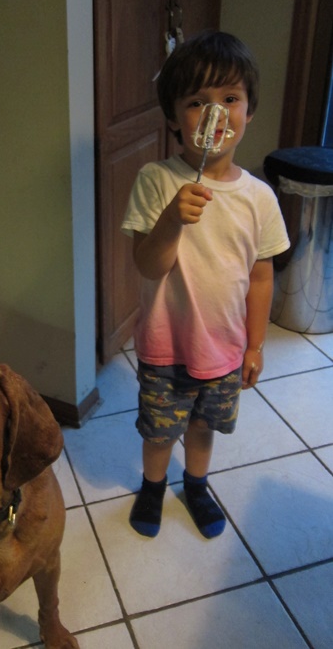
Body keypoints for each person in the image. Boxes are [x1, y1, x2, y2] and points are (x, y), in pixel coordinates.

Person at [121, 30, 290, 539]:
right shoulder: (157, 180)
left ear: (249, 111)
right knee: (160, 432)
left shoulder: (260, 198)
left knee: (201, 425)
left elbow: (261, 276)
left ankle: (196, 485)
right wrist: (172, 219)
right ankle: (153, 486)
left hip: (224, 349)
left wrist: (255, 345)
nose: (216, 112)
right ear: (174, 118)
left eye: (230, 98)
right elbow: (149, 266)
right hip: (165, 346)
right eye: (197, 102)